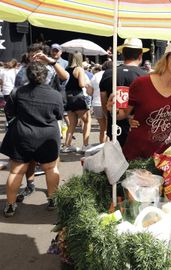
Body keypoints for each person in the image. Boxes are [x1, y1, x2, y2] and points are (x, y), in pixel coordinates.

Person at [1, 61, 64, 217]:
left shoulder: (17, 92)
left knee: (16, 171)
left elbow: (9, 111)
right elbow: (59, 115)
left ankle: (10, 205)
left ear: (28, 75)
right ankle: (52, 200)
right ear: (46, 76)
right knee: (51, 169)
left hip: (23, 135)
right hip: (47, 136)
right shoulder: (55, 94)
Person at [116, 40, 171, 160]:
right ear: (166, 58)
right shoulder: (142, 83)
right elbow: (122, 114)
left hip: (166, 162)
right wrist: (113, 109)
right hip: (137, 158)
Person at [13, 43, 69, 203]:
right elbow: (15, 93)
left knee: (51, 160)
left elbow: (65, 78)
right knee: (28, 158)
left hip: (48, 117)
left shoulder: (52, 68)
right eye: (32, 55)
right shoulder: (23, 71)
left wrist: (50, 61)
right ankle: (30, 184)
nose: (34, 58)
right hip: (28, 118)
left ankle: (53, 193)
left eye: (37, 55)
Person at [100, 38, 148, 146]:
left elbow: (103, 100)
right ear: (140, 55)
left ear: (123, 53)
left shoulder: (108, 74)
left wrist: (109, 117)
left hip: (114, 127)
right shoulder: (146, 77)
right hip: (137, 128)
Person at [61, 52, 93, 153]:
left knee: (72, 124)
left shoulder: (66, 70)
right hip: (78, 97)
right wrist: (87, 84)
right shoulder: (79, 69)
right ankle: (85, 145)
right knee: (87, 121)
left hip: (68, 97)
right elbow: (81, 84)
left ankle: (67, 145)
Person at [90, 60, 112, 144]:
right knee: (108, 127)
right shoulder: (111, 75)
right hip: (107, 103)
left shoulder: (95, 75)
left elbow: (89, 91)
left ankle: (101, 146)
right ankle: (107, 147)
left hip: (96, 103)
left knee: (102, 128)